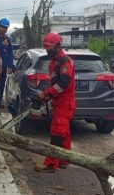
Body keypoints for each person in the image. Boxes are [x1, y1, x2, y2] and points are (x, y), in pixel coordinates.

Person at [34, 33, 76, 173]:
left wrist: (46, 93)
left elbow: (63, 84)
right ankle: (64, 159)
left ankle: (51, 163)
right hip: (59, 101)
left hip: (65, 102)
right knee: (64, 133)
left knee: (57, 133)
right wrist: (48, 96)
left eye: (50, 49)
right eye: (46, 49)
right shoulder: (55, 61)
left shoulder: (65, 61)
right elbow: (55, 83)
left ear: (58, 46)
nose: (48, 51)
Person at [0, 18, 14, 109]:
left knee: (1, 85)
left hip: (4, 67)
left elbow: (10, 53)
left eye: (6, 28)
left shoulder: (8, 40)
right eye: (2, 27)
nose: (4, 29)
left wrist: (10, 66)